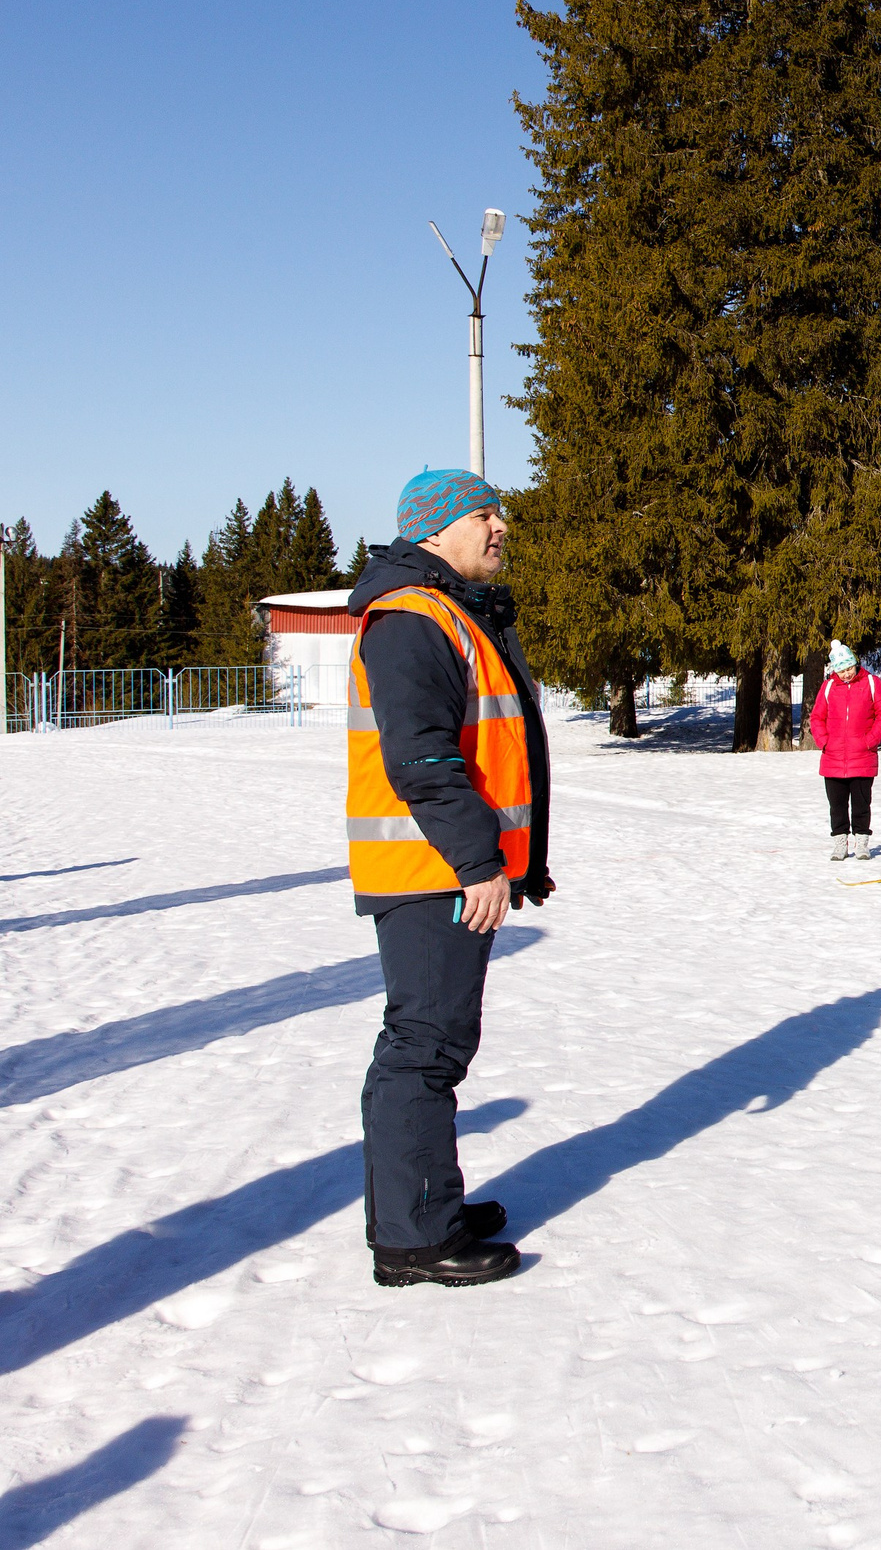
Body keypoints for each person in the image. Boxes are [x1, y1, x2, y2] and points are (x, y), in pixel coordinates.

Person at [345, 469, 553, 1288]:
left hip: (451, 867)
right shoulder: (411, 619)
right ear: (437, 528)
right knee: (424, 1048)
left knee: (436, 1044)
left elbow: (492, 749)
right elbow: (423, 762)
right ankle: (413, 1238)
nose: (502, 526)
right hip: (430, 870)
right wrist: (478, 862)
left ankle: (429, 1203)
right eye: (485, 514)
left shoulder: (452, 612)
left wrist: (518, 863)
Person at [809, 639, 881, 862]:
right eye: (841, 670)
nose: (846, 674)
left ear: (855, 664)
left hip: (863, 756)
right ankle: (840, 842)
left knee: (861, 804)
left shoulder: (872, 683)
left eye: (849, 668)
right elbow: (817, 717)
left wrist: (870, 740)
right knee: (836, 805)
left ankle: (862, 841)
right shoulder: (828, 687)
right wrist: (823, 741)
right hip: (833, 758)